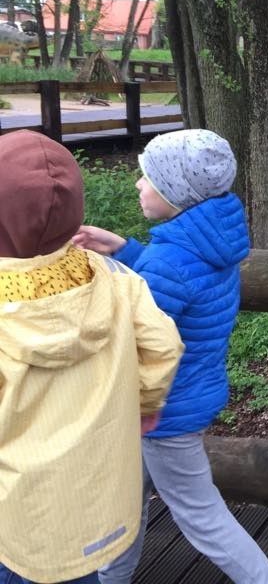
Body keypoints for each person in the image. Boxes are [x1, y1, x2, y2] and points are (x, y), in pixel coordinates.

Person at [73, 129, 268, 584]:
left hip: (162, 412)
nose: (138, 184)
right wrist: (126, 251)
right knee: (121, 505)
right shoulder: (206, 242)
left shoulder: (169, 260)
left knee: (201, 515)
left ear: (176, 191)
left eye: (147, 177)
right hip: (185, 394)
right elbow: (178, 289)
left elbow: (134, 330)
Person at [0, 130, 183, 584]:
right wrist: (145, 405)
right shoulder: (114, 277)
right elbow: (163, 345)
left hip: (16, 519)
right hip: (92, 510)